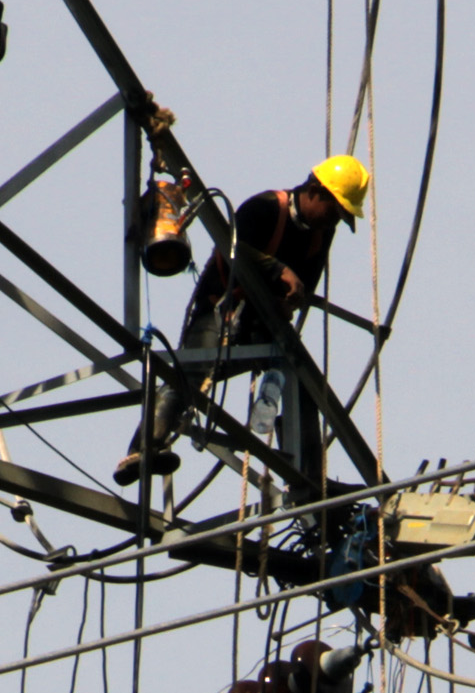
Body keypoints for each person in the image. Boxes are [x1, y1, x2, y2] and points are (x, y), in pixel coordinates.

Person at [115, 156, 371, 485]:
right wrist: (279, 270)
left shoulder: (322, 233)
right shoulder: (265, 208)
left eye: (341, 216)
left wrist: (289, 300)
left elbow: (307, 279)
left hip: (262, 319)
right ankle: (146, 448)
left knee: (303, 378)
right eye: (334, 210)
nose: (334, 220)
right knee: (190, 373)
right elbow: (232, 248)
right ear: (313, 191)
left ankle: (308, 477)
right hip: (221, 305)